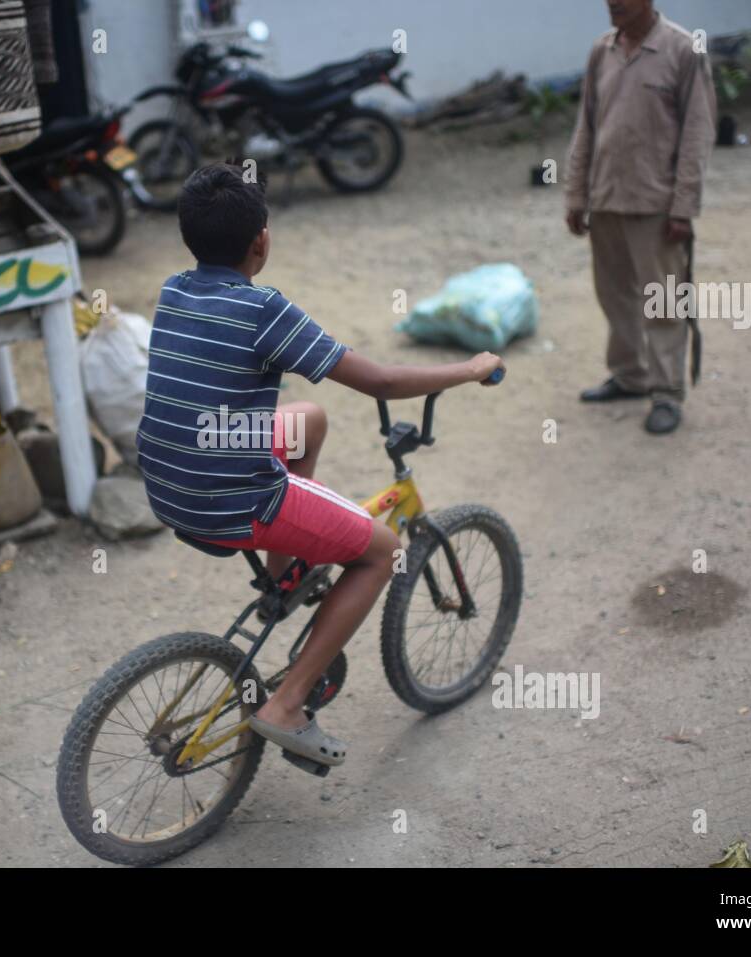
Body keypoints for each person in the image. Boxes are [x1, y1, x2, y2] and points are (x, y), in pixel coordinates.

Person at [136, 163, 503, 767]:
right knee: (384, 550)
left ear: (189, 240)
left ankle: (285, 576)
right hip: (235, 498)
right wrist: (469, 369)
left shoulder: (175, 289)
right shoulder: (264, 310)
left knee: (308, 418)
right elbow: (380, 380)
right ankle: (286, 704)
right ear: (262, 241)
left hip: (170, 480)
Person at [565, 0, 716, 435]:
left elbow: (698, 134)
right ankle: (632, 376)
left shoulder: (684, 50)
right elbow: (587, 126)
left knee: (664, 301)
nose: (612, 5)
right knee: (615, 295)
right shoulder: (602, 50)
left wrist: (684, 208)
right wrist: (576, 196)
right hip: (607, 197)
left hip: (657, 205)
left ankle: (667, 392)